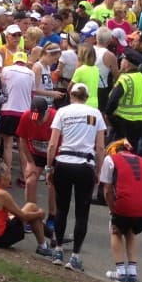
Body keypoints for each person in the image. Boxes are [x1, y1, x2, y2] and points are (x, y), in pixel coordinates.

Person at [45, 82, 107, 272]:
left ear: (71, 95)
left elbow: (52, 143)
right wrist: (99, 171)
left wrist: (49, 167)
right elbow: (100, 147)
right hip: (85, 164)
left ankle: (57, 250)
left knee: (62, 208)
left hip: (64, 162)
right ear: (86, 97)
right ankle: (75, 256)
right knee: (82, 211)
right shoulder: (95, 114)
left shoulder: (62, 112)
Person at [100, 139, 142, 282]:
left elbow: (107, 190)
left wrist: (112, 210)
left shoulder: (110, 159)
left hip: (126, 203)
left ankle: (120, 272)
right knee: (130, 230)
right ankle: (132, 272)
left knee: (116, 230)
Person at [0, 164, 52, 254]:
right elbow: (23, 216)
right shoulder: (2, 194)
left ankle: (51, 237)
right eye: (9, 174)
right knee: (32, 208)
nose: (10, 178)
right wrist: (40, 214)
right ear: (2, 179)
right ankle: (44, 245)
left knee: (29, 211)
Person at [104, 49, 142, 151]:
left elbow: (113, 100)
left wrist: (108, 114)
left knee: (115, 148)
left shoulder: (125, 79)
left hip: (122, 121)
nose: (120, 62)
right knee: (132, 149)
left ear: (127, 63)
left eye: (122, 60)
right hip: (139, 121)